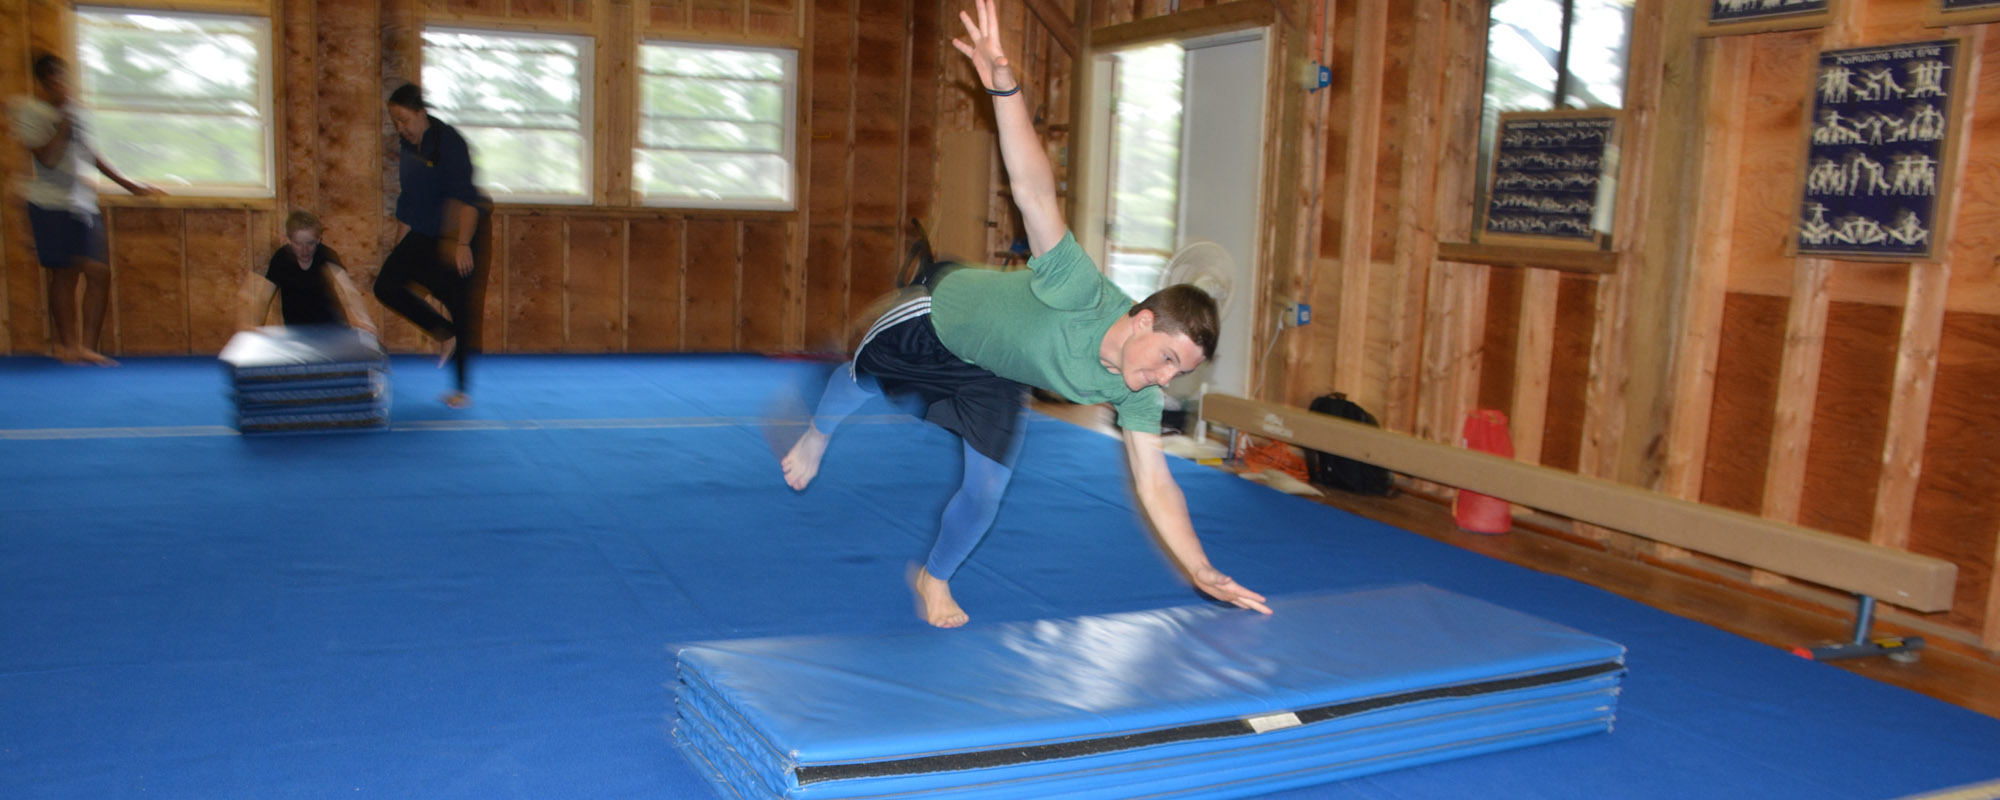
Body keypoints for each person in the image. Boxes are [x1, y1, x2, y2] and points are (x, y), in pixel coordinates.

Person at [781, 0, 1269, 628]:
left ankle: (934, 579)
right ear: (1144, 322)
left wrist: (1201, 569)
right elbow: (1034, 191)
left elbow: (1157, 484)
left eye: (1180, 374)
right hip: (940, 319)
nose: (1165, 380)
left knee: (986, 491)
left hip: (993, 373)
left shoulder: (1139, 392)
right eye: (1169, 359)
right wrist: (1003, 87)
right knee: (861, 371)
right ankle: (818, 436)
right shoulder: (1080, 290)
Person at [7, 53, 162, 366]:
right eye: (53, 82)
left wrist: (130, 185)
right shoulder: (31, 112)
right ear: (42, 84)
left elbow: (89, 153)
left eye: (62, 79)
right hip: (49, 203)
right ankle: (67, 347)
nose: (60, 86)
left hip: (81, 202)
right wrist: (64, 120)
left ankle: (86, 347)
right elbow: (47, 158)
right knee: (63, 277)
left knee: (99, 273)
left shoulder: (76, 111)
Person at [374, 83, 490, 409]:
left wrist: (463, 244)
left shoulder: (449, 143)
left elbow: (468, 199)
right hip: (424, 231)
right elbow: (408, 203)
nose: (401, 128)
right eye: (395, 121)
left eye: (405, 120)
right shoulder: (408, 147)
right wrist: (398, 254)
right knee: (386, 285)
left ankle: (461, 389)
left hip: (462, 232)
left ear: (422, 113)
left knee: (460, 304)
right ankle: (444, 333)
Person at [239, 210, 376, 333]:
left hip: (330, 327)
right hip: (297, 330)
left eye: (310, 243)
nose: (304, 250)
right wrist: (256, 327)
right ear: (289, 241)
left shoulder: (325, 256)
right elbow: (264, 297)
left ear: (319, 240)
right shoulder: (281, 259)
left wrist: (365, 321)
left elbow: (349, 290)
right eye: (298, 244)